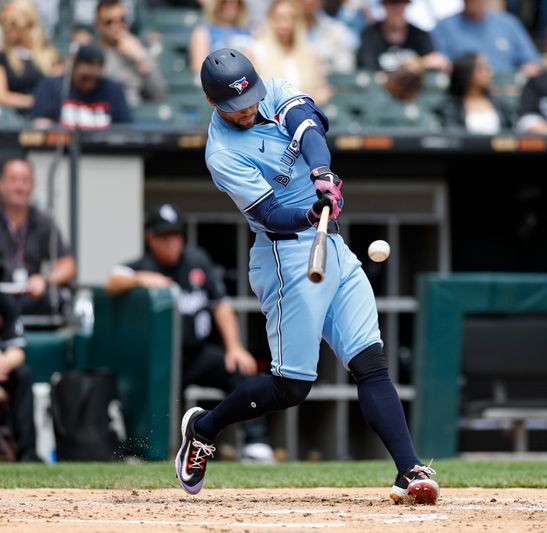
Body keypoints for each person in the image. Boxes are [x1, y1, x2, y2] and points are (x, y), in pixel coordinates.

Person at [175, 48, 438, 504]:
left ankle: (408, 470)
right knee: (291, 387)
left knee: (369, 362)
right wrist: (310, 209)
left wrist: (322, 175)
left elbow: (309, 126)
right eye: (236, 107)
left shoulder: (274, 91)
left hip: (331, 245)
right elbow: (272, 214)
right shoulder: (221, 154)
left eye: (250, 100)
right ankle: (202, 429)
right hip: (285, 255)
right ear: (214, 104)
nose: (248, 110)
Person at [105, 202, 275, 464]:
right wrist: (140, 279)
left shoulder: (197, 261)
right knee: (152, 391)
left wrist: (234, 347)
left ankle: (255, 443)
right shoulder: (143, 265)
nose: (172, 243)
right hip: (164, 361)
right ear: (151, 237)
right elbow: (112, 281)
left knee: (240, 369)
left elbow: (221, 307)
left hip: (197, 354)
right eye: (164, 237)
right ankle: (145, 449)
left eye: (176, 236)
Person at [0, 158, 76, 318]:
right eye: (13, 180)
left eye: (25, 180)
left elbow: (68, 265)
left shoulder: (43, 222)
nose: (19, 187)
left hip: (31, 299)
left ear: (32, 185)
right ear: (2, 184)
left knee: (59, 300)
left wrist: (45, 280)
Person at [30, 43, 131, 129]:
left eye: (95, 79)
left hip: (102, 150)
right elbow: (39, 123)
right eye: (85, 78)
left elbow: (124, 129)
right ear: (74, 68)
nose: (90, 83)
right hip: (64, 149)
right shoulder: (52, 86)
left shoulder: (113, 90)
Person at [249, 0, 331, 105]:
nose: (284, 24)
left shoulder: (310, 53)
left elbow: (322, 90)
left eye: (291, 18)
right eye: (279, 17)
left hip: (306, 112)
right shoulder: (256, 51)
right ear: (270, 20)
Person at [432, 0, 540, 77]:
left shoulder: (508, 23)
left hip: (508, 90)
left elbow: (532, 62)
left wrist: (522, 77)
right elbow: (439, 62)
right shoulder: (445, 26)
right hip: (465, 93)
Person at [95, 0, 167, 108]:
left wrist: (140, 57)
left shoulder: (138, 48)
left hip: (136, 114)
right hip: (105, 110)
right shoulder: (93, 52)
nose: (117, 26)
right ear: (98, 25)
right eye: (109, 22)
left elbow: (159, 95)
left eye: (122, 19)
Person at [0, 0, 60, 117]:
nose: (7, 28)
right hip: (15, 117)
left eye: (13, 23)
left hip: (47, 116)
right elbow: (2, 96)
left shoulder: (49, 54)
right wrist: (32, 101)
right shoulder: (3, 57)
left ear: (29, 23)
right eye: (4, 22)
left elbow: (59, 88)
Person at [356, 0, 449, 73]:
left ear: (406, 6)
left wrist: (416, 64)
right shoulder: (370, 35)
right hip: (378, 93)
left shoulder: (419, 35)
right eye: (393, 3)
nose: (397, 9)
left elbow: (437, 61)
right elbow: (367, 68)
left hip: (414, 92)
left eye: (401, 4)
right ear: (384, 6)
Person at [0, 291, 37, 462]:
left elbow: (17, 351)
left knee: (23, 375)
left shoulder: (6, 302)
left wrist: (4, 363)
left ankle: (26, 452)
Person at [440, 52, 515, 134]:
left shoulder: (500, 105)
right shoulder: (451, 107)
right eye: (482, 68)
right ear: (467, 73)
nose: (490, 72)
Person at [189, 0, 254, 76]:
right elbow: (199, 68)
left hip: (247, 80)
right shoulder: (204, 32)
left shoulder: (250, 32)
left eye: (237, 1)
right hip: (216, 81)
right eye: (225, 1)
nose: (232, 4)